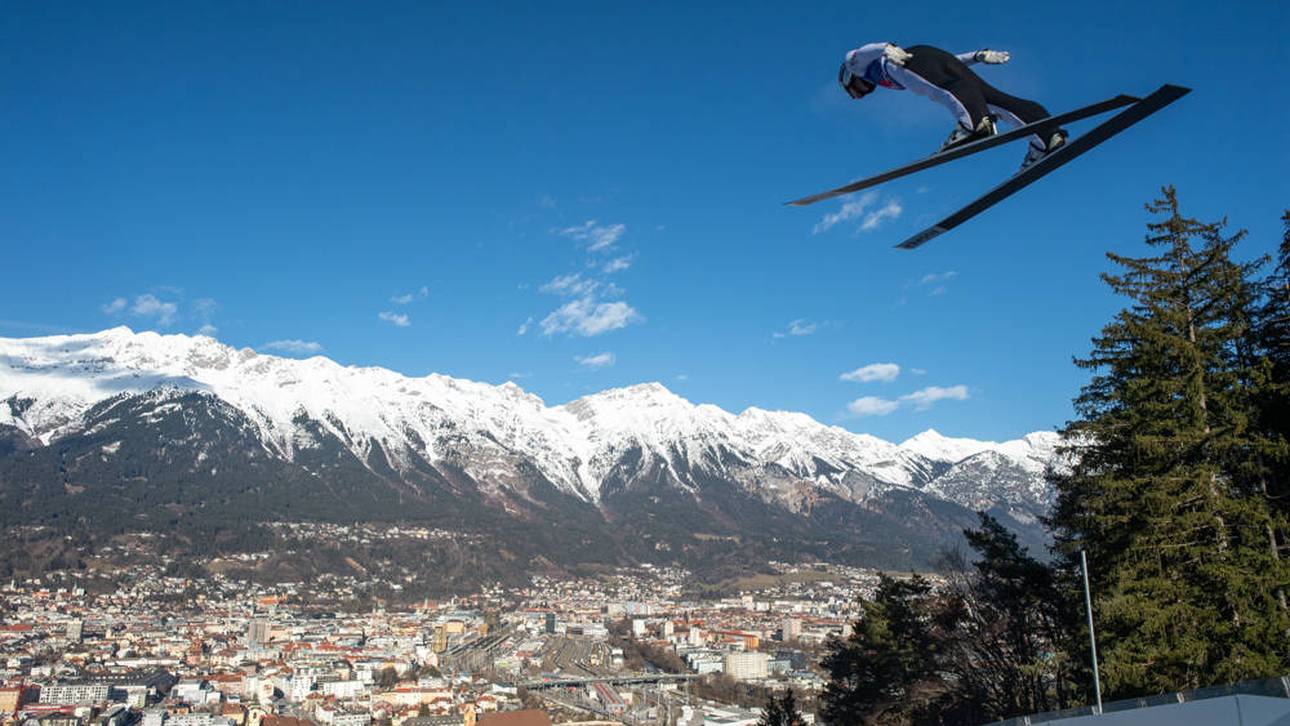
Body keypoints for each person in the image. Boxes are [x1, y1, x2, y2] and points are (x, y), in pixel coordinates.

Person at [838, 42, 1067, 169]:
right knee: (991, 98)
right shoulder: (880, 69)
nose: (864, 91)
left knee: (940, 89)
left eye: (857, 89)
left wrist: (885, 48)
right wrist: (977, 56)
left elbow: (856, 54)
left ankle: (974, 125)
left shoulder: (858, 65)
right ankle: (1046, 135)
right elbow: (949, 64)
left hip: (911, 60)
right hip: (934, 56)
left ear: (850, 78)